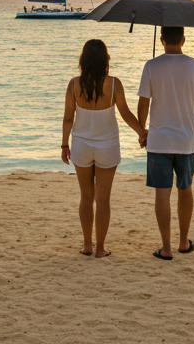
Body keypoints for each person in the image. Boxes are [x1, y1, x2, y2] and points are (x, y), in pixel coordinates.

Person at [61, 39, 146, 258]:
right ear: (105, 60)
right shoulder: (114, 84)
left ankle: (87, 245)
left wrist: (64, 144)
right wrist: (142, 132)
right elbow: (125, 113)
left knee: (86, 197)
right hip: (107, 146)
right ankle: (100, 249)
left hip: (81, 145)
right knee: (103, 199)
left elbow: (68, 118)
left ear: (83, 60)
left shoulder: (74, 84)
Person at [137, 26, 194, 260]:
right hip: (187, 141)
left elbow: (143, 103)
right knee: (185, 188)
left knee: (162, 193)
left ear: (162, 40)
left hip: (159, 140)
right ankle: (183, 242)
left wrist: (142, 130)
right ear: (183, 40)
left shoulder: (152, 66)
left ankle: (166, 248)